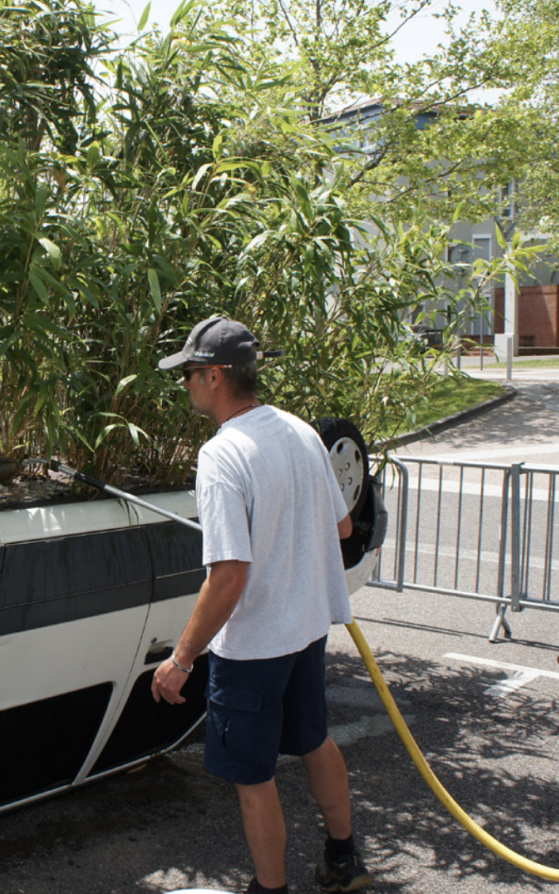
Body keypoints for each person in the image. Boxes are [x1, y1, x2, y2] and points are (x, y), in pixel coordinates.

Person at [151, 315, 372, 894]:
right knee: (314, 739)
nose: (186, 386)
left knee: (253, 777)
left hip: (252, 646)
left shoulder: (222, 456)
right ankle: (343, 861)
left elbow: (228, 578)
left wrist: (181, 659)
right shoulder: (299, 431)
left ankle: (271, 889)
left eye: (191, 374)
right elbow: (344, 526)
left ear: (217, 377)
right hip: (304, 630)